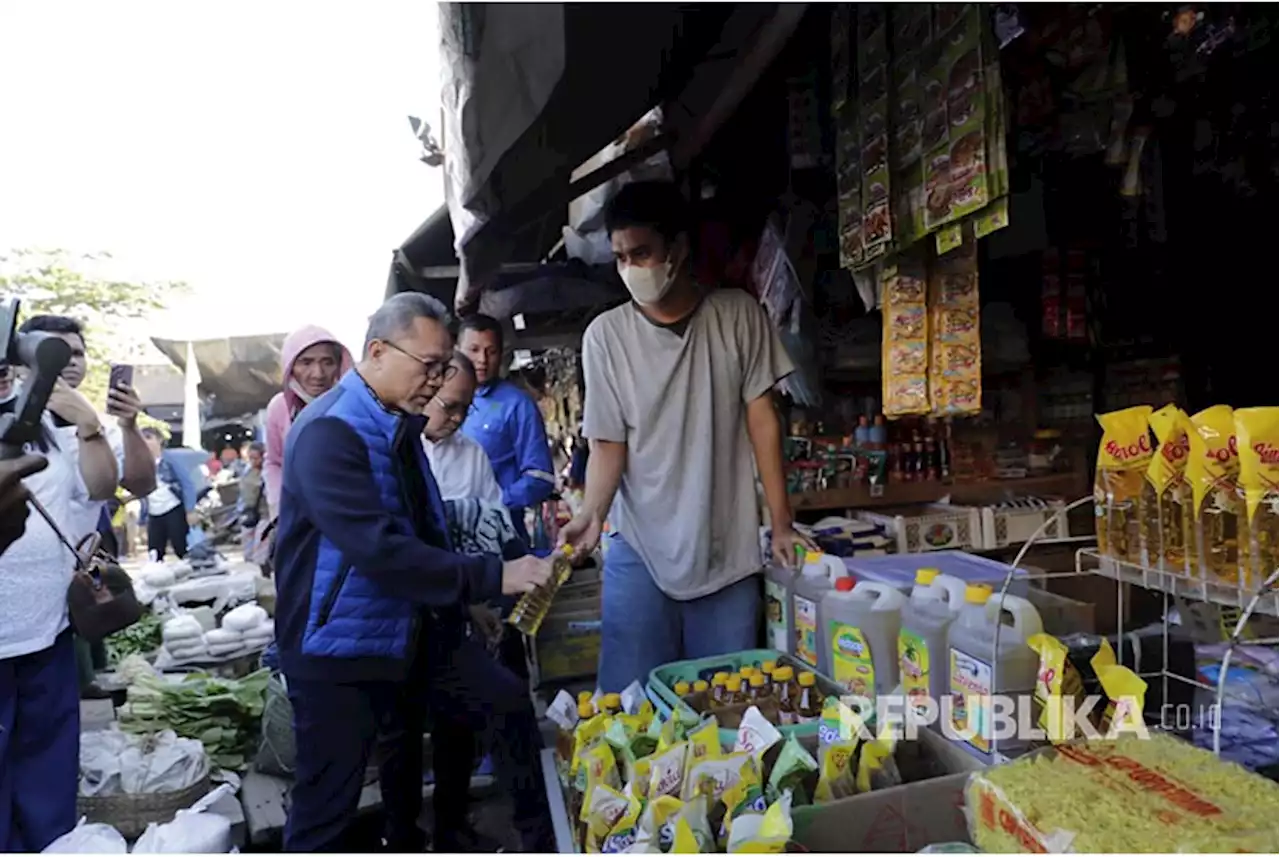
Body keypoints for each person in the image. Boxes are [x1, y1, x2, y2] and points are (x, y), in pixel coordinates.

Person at [273, 292, 553, 852]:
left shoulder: (395, 423)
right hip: (337, 646)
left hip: (410, 627)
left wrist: (462, 602)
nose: (438, 379)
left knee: (504, 701)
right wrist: (496, 576)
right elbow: (381, 551)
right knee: (328, 804)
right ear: (377, 351)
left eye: (445, 365)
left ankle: (538, 838)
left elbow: (424, 530)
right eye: (429, 365)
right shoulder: (330, 431)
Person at [559, 181, 813, 693]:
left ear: (677, 248)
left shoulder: (738, 315)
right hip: (639, 548)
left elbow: (763, 420)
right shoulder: (605, 337)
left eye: (642, 252)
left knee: (727, 700)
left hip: (727, 550)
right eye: (621, 257)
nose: (631, 267)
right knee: (632, 707)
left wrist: (781, 524)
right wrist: (590, 515)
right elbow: (609, 443)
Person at [0, 384, 119, 850]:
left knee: (48, 776)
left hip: (47, 631)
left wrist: (90, 424)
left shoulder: (45, 425)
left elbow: (102, 488)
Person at [458, 314, 556, 543]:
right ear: (457, 349)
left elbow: (540, 476)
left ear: (501, 354)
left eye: (490, 351)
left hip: (503, 536)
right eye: (473, 349)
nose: (482, 359)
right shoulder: (436, 398)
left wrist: (494, 503)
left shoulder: (517, 405)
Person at [264, 325, 353, 519]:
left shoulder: (351, 406)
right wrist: (279, 508)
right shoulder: (280, 408)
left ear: (339, 365)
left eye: (327, 362)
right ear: (290, 366)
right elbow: (274, 462)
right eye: (306, 362)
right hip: (296, 515)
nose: (318, 373)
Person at [422, 352, 501, 505]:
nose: (458, 418)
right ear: (427, 392)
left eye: (465, 409)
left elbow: (494, 514)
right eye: (450, 407)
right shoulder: (394, 446)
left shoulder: (473, 454)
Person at [140, 428, 204, 559]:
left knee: (181, 548)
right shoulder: (141, 463)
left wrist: (190, 510)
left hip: (173, 508)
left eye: (148, 437)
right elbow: (142, 494)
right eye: (142, 438)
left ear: (160, 440)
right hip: (153, 513)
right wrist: (141, 520)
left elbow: (187, 484)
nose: (145, 442)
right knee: (154, 552)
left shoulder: (171, 459)